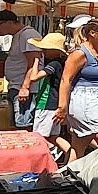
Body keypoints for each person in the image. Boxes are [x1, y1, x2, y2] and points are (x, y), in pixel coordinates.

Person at [55, 18, 98, 155]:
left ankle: (67, 174)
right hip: (85, 99)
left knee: (79, 145)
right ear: (93, 33)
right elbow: (66, 79)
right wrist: (62, 106)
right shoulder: (79, 53)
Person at [25, 32, 74, 164]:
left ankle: (53, 153)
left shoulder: (54, 64)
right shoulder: (62, 63)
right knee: (53, 136)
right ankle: (71, 154)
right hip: (55, 103)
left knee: (39, 136)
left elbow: (34, 77)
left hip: (46, 104)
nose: (43, 51)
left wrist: (35, 61)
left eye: (46, 49)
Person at [0, 10, 43, 129]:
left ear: (9, 22)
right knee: (18, 124)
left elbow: (33, 62)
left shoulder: (27, 35)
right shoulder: (19, 35)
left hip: (24, 89)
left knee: (23, 125)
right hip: (17, 86)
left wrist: (25, 87)